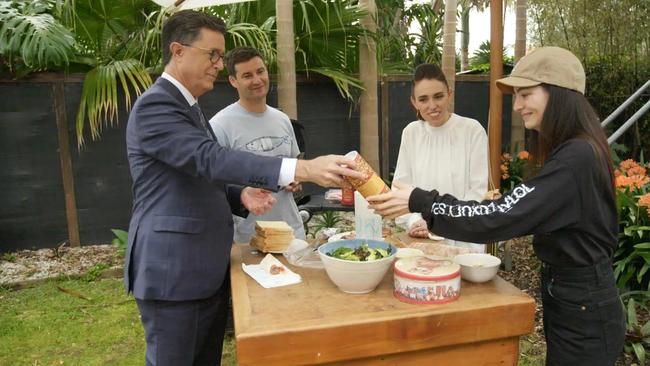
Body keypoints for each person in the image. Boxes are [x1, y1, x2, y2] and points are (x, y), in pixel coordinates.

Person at [125, 10, 362, 366]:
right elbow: (209, 158)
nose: (218, 65)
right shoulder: (156, 105)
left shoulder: (189, 108)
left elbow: (194, 176)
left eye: (220, 56)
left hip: (205, 270)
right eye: (213, 55)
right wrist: (303, 167)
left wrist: (240, 194)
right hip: (174, 272)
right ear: (177, 50)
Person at [368, 46, 625, 365]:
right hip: (574, 300)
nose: (517, 106)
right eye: (516, 96)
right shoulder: (577, 150)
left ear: (559, 94)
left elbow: (498, 214)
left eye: (526, 94)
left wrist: (421, 200)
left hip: (584, 308)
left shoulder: (576, 159)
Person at [209, 47, 305, 243]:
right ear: (233, 81)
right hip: (250, 238)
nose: (257, 80)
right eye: (247, 75)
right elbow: (215, 185)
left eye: (260, 71)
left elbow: (292, 166)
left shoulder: (283, 119)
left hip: (292, 232)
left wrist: (295, 182)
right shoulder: (220, 125)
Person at [393, 63, 488, 252]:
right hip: (420, 238)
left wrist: (438, 223)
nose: (432, 106)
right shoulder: (411, 133)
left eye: (438, 96)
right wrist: (416, 220)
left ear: (449, 94)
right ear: (414, 102)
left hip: (463, 240)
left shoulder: (472, 130)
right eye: (423, 99)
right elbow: (400, 187)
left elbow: (477, 193)